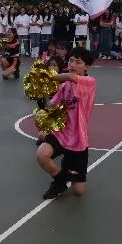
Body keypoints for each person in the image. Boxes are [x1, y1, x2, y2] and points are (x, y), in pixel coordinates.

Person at [36, 47, 97, 199]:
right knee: (41, 154)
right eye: (71, 60)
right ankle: (60, 181)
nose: (73, 64)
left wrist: (50, 76)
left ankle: (67, 169)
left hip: (78, 138)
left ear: (87, 67)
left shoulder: (89, 82)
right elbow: (51, 106)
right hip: (61, 132)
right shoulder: (64, 87)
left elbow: (70, 76)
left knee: (78, 191)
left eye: (78, 62)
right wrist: (42, 94)